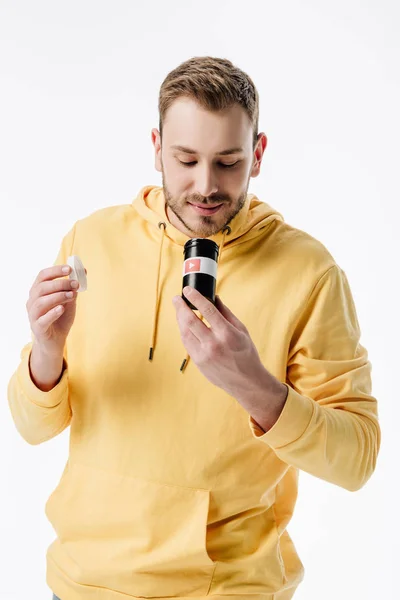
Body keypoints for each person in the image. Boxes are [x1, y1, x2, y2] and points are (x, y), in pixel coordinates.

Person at [7, 56, 381, 600]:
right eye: (185, 160)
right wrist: (47, 353)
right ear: (156, 148)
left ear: (258, 153)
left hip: (226, 589)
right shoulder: (92, 239)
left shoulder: (309, 273)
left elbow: (358, 460)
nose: (205, 185)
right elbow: (32, 427)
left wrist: (252, 384)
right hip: (82, 581)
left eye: (228, 162)